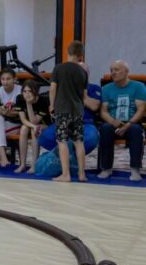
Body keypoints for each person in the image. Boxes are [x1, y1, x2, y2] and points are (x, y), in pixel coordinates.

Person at [49, 41, 89, 182]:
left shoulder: (59, 68)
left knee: (62, 141)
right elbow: (85, 96)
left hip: (62, 108)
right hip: (78, 110)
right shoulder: (83, 72)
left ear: (68, 51)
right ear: (80, 55)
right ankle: (82, 174)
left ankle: (65, 175)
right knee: (79, 141)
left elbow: (53, 88)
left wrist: (51, 105)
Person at [98, 60, 145, 182]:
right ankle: (106, 168)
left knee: (136, 131)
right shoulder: (106, 88)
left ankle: (135, 169)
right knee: (105, 129)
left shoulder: (138, 87)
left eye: (117, 69)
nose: (113, 72)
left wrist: (128, 124)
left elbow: (141, 110)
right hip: (113, 122)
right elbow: (103, 111)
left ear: (126, 72)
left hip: (131, 123)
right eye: (111, 70)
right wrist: (112, 121)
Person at [14, 80, 52, 173]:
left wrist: (28, 104)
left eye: (30, 91)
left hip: (46, 125)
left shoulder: (43, 101)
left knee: (34, 130)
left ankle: (34, 165)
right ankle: (22, 164)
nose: (27, 94)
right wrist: (33, 126)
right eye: (25, 91)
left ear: (35, 92)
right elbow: (23, 119)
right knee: (23, 129)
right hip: (30, 124)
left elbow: (34, 121)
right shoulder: (19, 98)